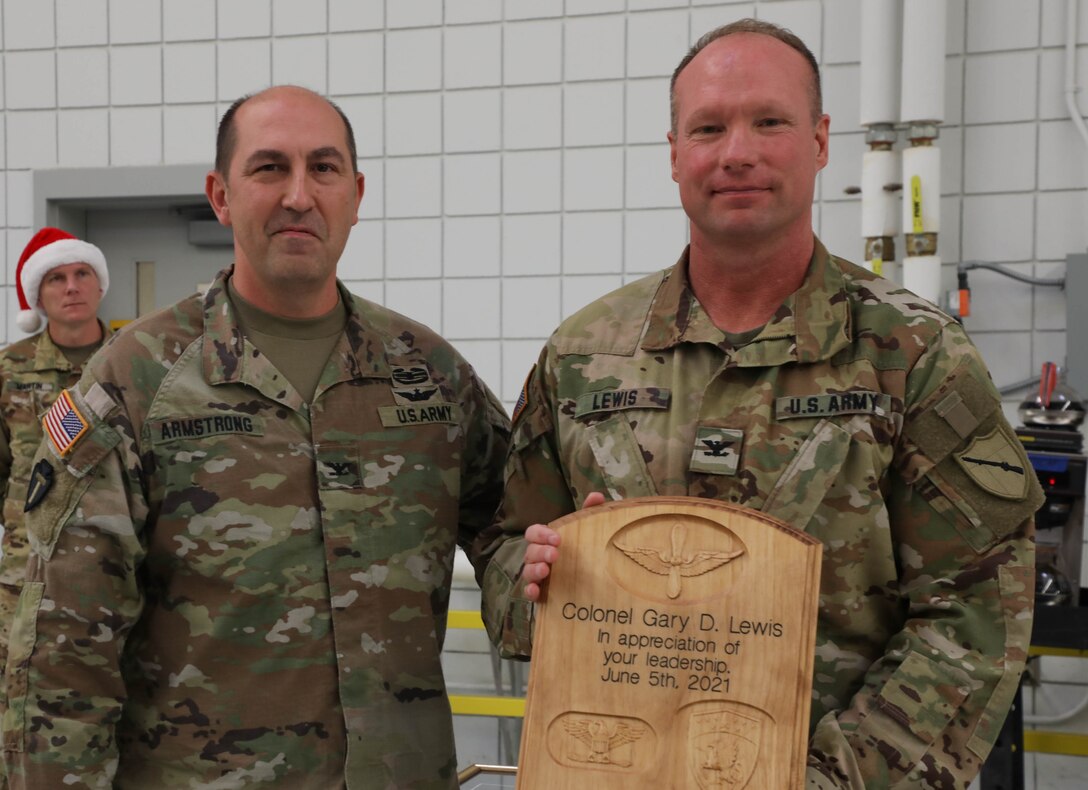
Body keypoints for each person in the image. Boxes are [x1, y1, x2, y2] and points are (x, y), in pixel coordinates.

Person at [476, 19, 1042, 789]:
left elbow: (975, 616)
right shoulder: (584, 356)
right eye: (708, 127)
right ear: (674, 153)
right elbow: (508, 552)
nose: (736, 151)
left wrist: (826, 780)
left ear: (818, 141)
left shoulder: (913, 354)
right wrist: (537, 580)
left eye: (769, 121)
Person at [2, 86, 510, 788]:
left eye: (324, 169)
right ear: (221, 195)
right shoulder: (137, 379)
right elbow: (63, 655)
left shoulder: (430, 376)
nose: (299, 195)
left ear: (356, 195)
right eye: (269, 168)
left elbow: (517, 534)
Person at [0, 228, 111, 703]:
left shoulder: (133, 363)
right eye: (57, 278)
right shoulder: (9, 370)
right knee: (18, 687)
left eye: (82, 273)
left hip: (115, 558)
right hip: (29, 565)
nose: (72, 286)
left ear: (99, 285)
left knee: (110, 683)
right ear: (38, 297)